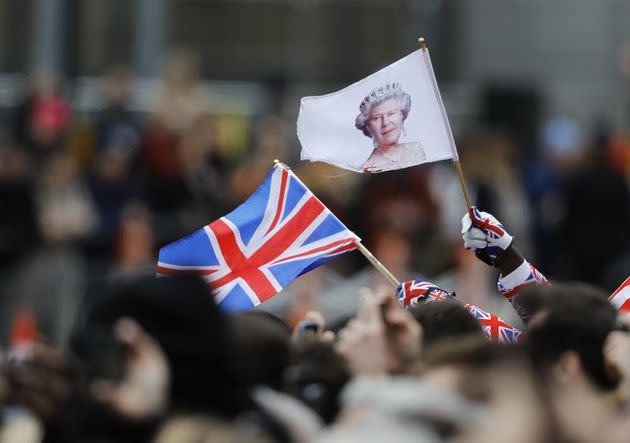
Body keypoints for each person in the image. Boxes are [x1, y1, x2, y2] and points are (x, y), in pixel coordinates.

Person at [354, 83, 426, 172]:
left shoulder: (416, 149)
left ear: (402, 115)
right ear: (368, 127)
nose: (386, 123)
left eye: (391, 113)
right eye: (377, 118)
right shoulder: (368, 168)